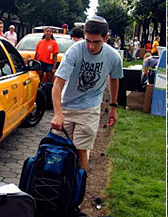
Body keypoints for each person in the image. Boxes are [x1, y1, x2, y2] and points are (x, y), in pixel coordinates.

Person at [51, 16, 123, 171]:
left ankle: (79, 187)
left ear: (106, 38)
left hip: (90, 108)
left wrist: (113, 107)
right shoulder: (74, 51)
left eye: (96, 42)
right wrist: (58, 113)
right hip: (67, 106)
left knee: (81, 149)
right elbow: (57, 84)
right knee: (57, 148)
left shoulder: (113, 57)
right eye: (88, 41)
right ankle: (56, 185)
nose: (90, 46)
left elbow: (114, 79)